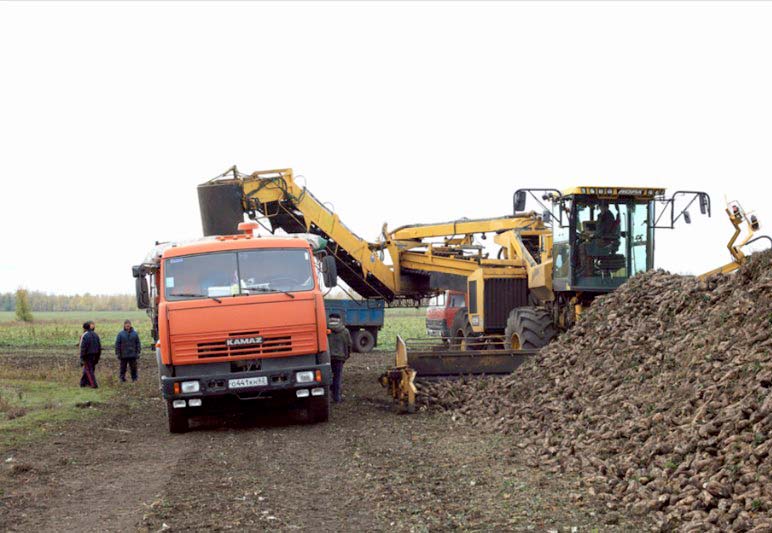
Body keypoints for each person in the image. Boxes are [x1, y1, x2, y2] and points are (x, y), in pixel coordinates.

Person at [326, 313, 352, 403]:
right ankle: (336, 398)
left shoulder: (324, 330)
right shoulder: (345, 331)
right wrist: (346, 356)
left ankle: (327, 397)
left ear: (329, 319)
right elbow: (349, 345)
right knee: (337, 377)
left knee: (327, 377)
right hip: (339, 358)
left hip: (327, 358)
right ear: (339, 320)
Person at [79, 321, 101, 388]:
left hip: (88, 355)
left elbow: (83, 347)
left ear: (84, 328)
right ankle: (83, 383)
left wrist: (82, 357)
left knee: (89, 370)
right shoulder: (96, 334)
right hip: (96, 354)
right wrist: (98, 357)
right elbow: (99, 346)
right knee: (88, 369)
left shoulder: (85, 335)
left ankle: (94, 385)